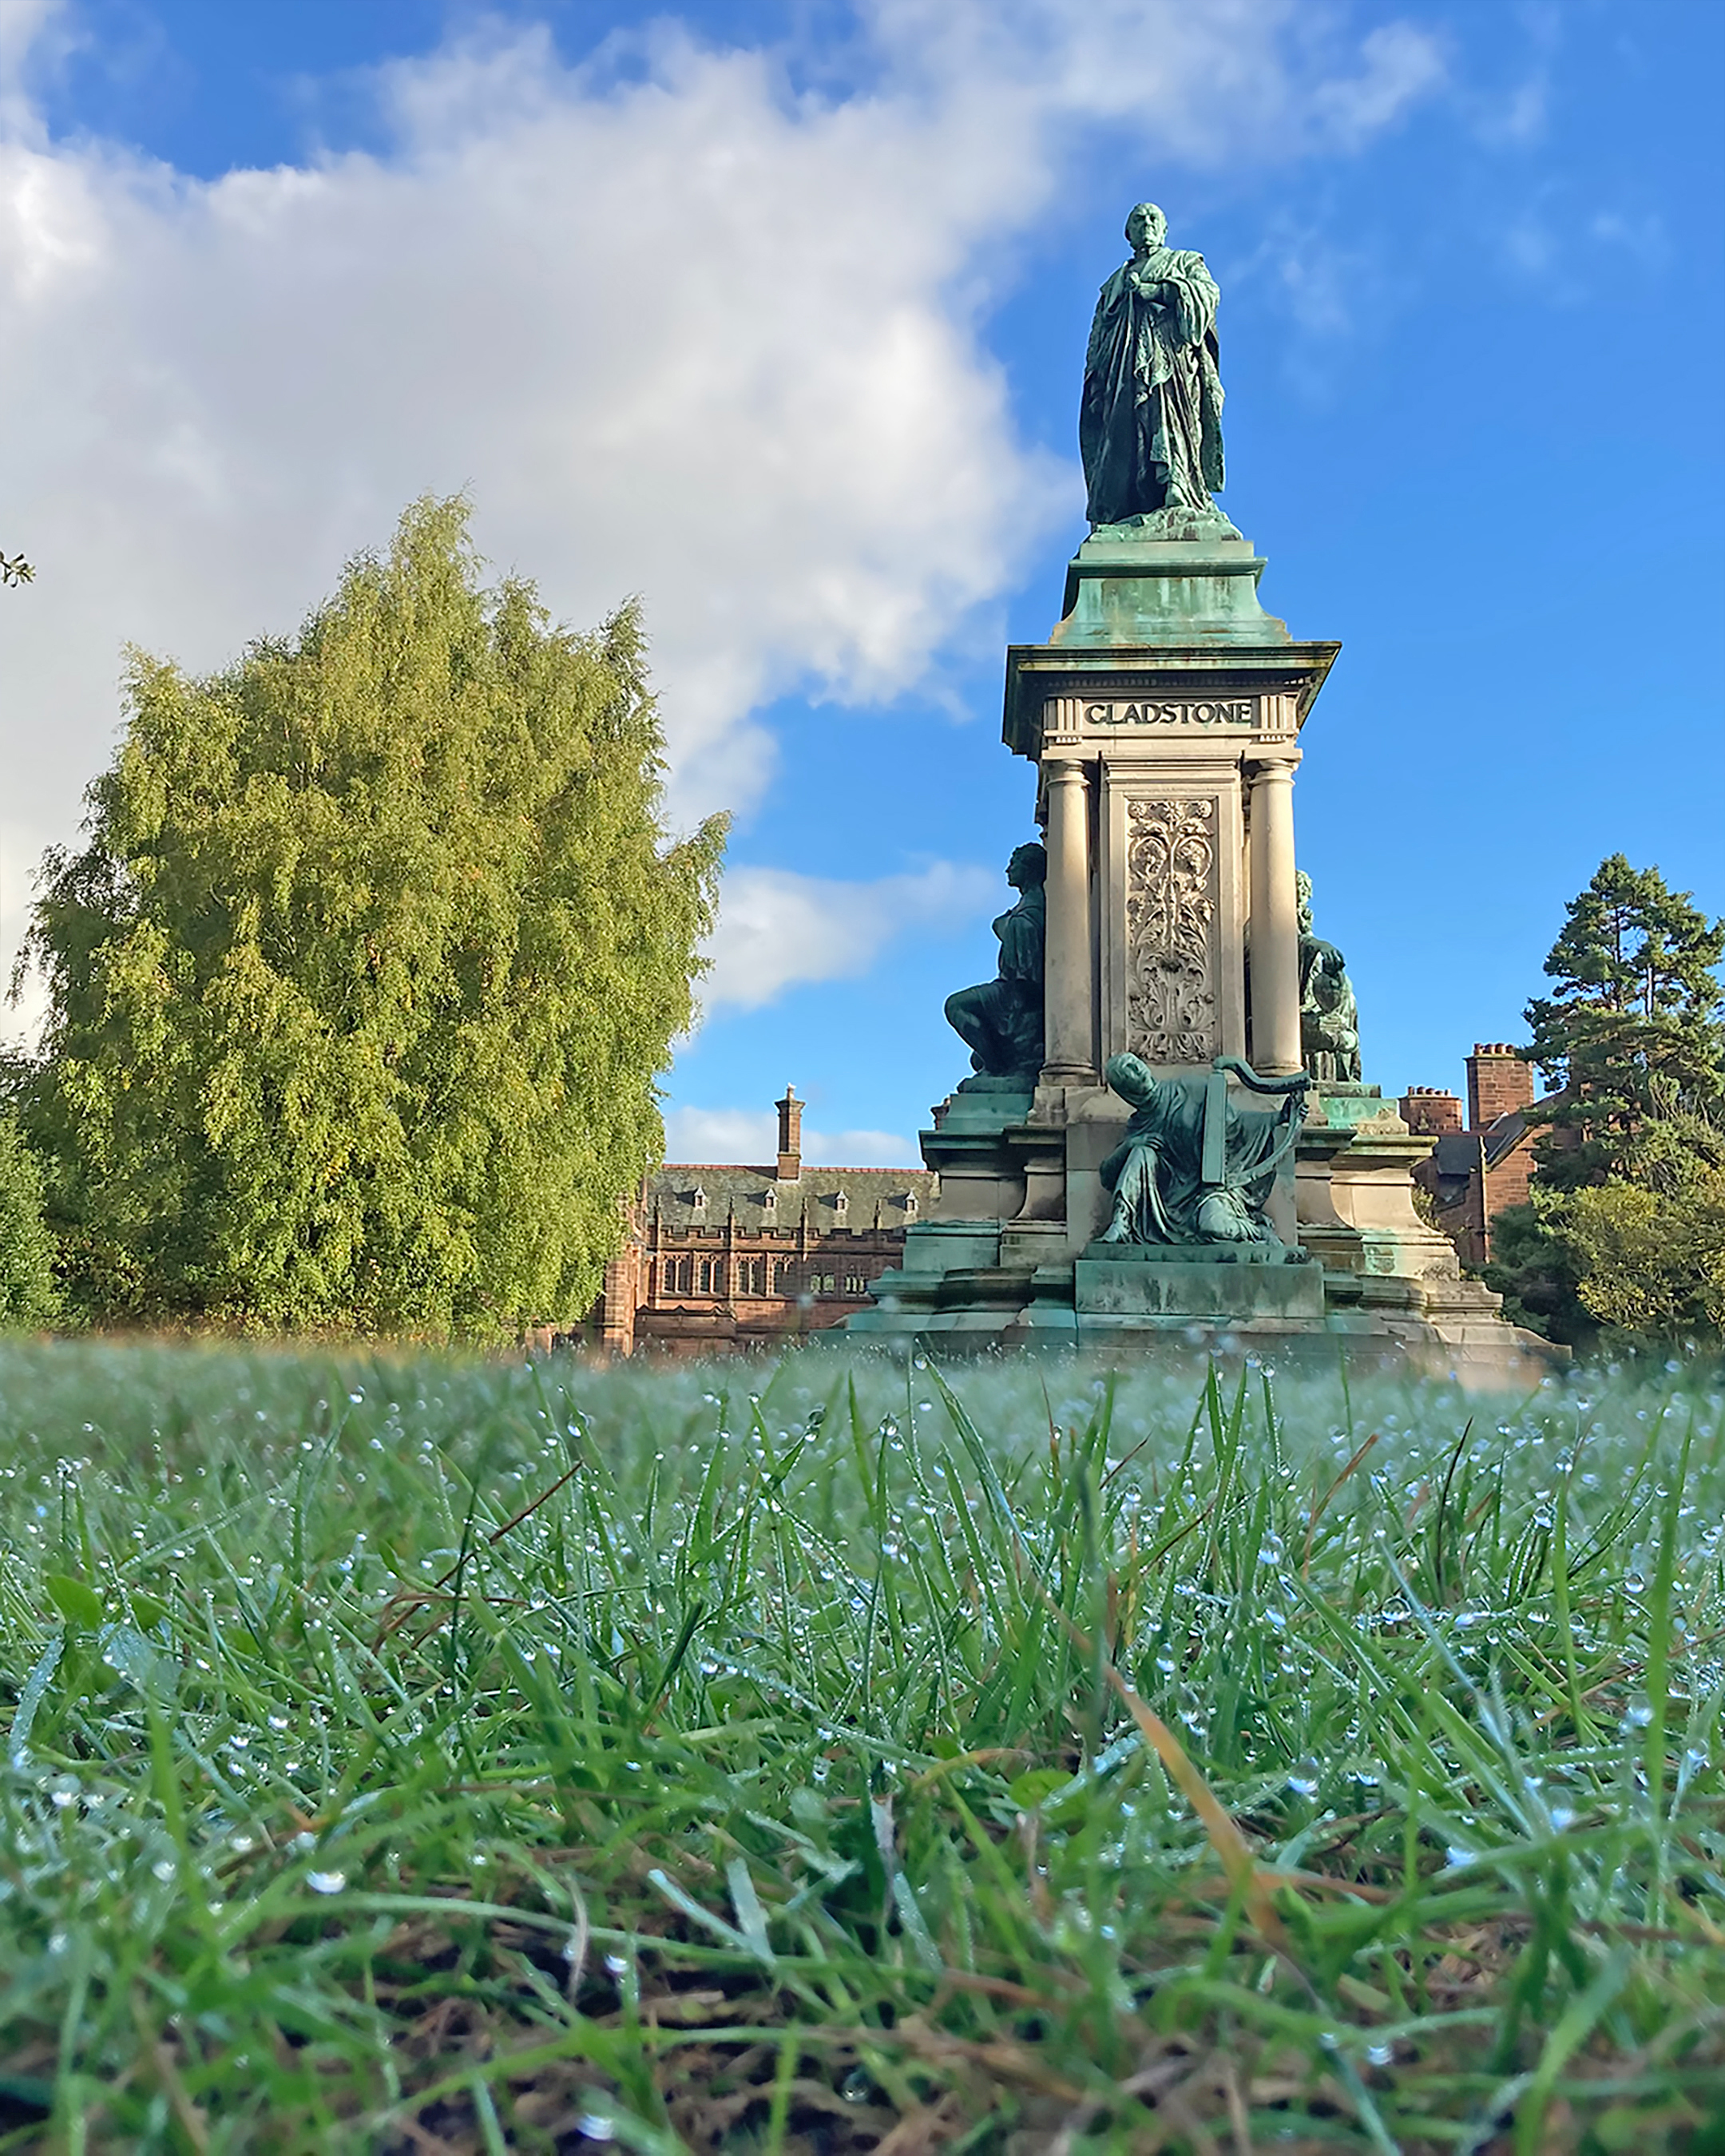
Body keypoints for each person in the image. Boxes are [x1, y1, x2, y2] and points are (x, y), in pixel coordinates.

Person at [1080, 203, 1225, 529]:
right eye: (1138, 220)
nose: (1146, 224)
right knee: (1126, 435)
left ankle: (1178, 487)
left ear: (1164, 230)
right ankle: (1131, 504)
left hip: (1169, 359)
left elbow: (1207, 294)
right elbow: (1099, 332)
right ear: (1128, 233)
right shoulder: (1113, 284)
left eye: (1153, 219)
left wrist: (1158, 291)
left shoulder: (1185, 261)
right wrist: (1096, 379)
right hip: (1123, 369)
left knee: (1168, 418)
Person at [1097, 1052, 1307, 1246]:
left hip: (1210, 1191)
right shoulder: (1139, 1124)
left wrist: (1279, 1117)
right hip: (1166, 1201)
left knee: (1214, 1226)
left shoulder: (1191, 1088)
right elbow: (1107, 1175)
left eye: (1135, 1062)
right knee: (1141, 1152)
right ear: (1126, 1090)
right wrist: (1130, 1145)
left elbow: (1236, 1124)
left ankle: (1258, 1232)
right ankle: (1121, 1224)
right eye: (1127, 1070)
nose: (1136, 1068)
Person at [944, 843, 1046, 1080]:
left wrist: (1003, 925)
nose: (1008, 869)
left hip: (1014, 992)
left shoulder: (1032, 906)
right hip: (1010, 986)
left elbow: (1026, 972)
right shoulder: (1027, 905)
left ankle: (996, 1068)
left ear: (1029, 869)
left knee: (955, 1006)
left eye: (1014, 863)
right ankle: (996, 1065)